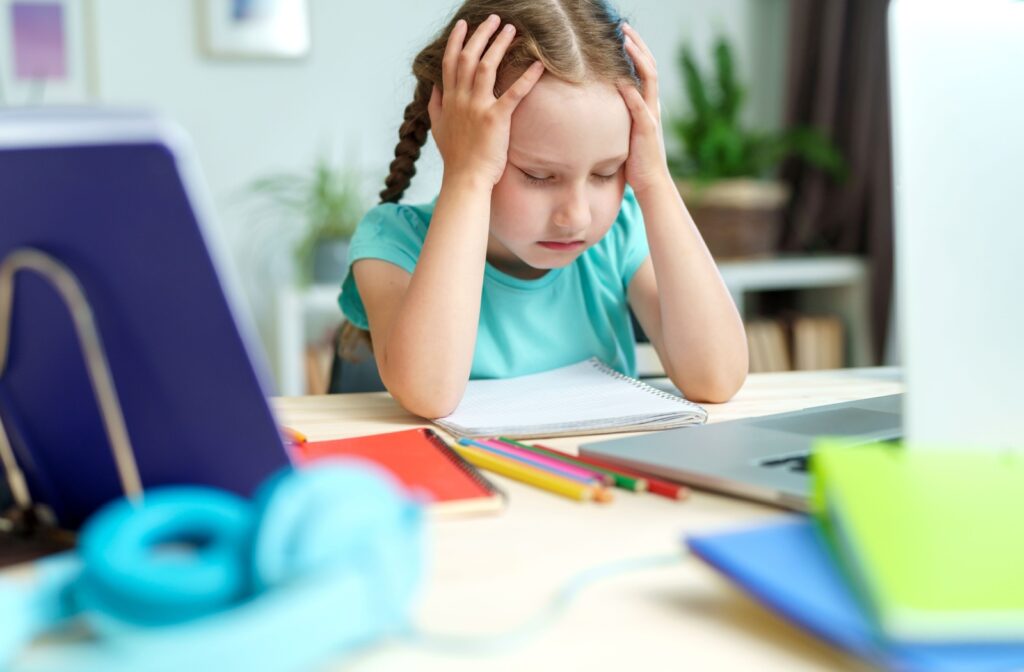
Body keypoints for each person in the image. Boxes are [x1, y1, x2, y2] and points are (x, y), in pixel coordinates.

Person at [339, 0, 748, 418]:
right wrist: (468, 177)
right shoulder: (391, 241)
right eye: (538, 175)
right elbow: (429, 394)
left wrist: (655, 179)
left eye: (607, 173)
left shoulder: (622, 229)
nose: (577, 217)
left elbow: (715, 378)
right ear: (459, 139)